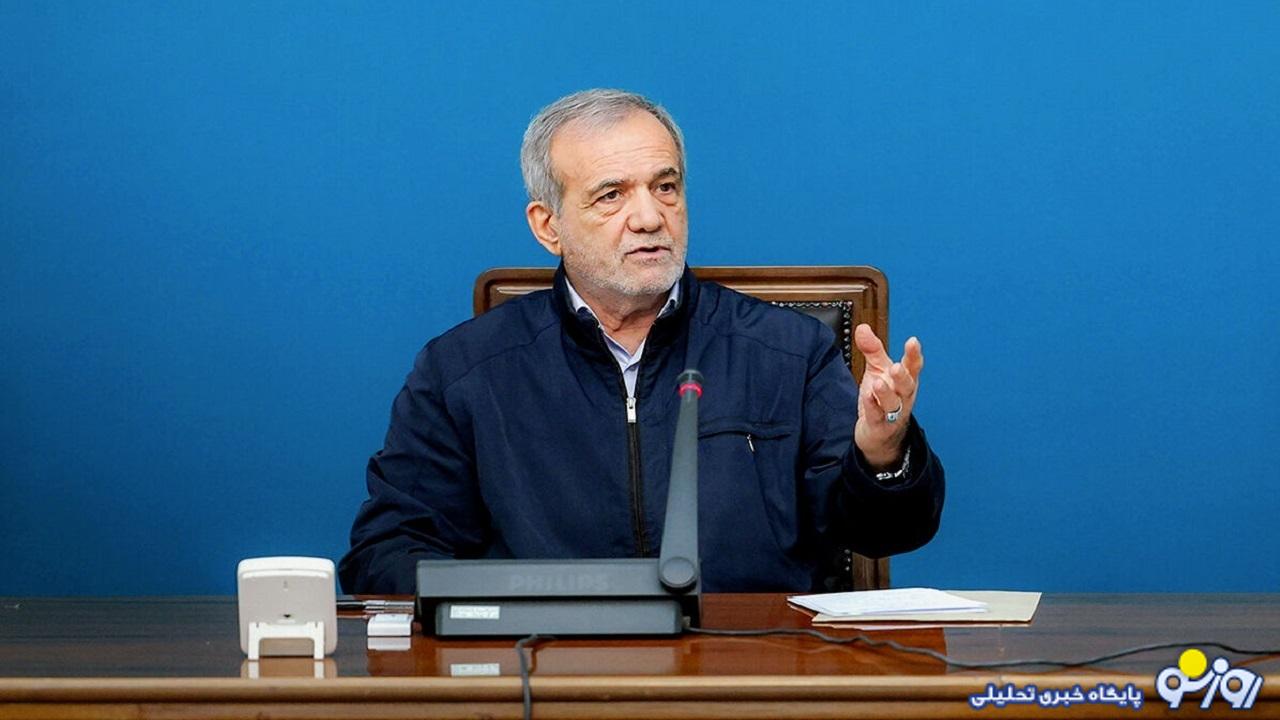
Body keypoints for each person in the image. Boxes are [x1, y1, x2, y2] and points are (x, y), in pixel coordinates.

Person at [339, 89, 944, 594]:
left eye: (666, 187)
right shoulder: (463, 369)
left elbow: (886, 532)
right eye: (612, 195)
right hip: (545, 668)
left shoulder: (789, 352)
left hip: (750, 668)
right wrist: (505, 609)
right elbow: (387, 551)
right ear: (548, 226)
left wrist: (882, 454)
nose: (650, 217)